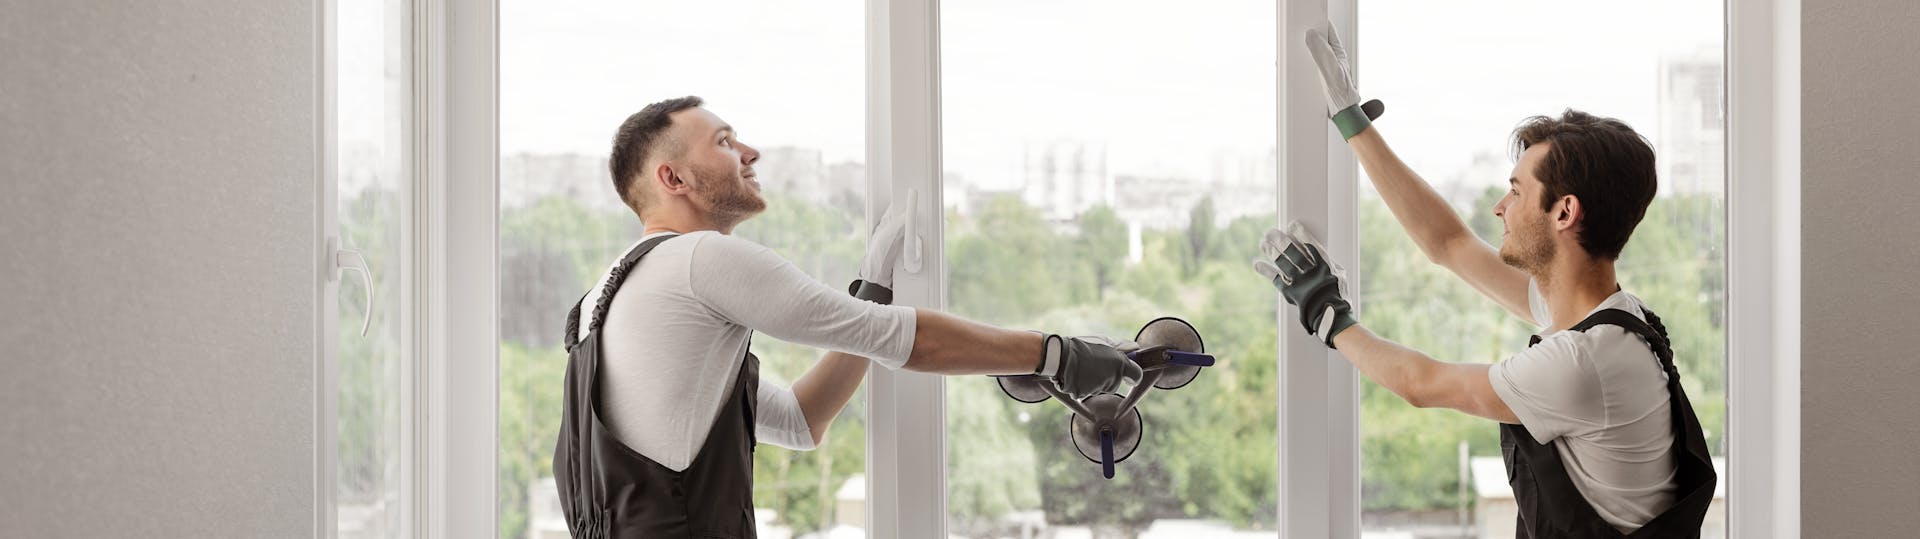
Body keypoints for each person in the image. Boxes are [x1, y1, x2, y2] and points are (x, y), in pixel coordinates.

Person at [551, 95, 1146, 538]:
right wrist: (1057, 355)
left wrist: (872, 287)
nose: (751, 152)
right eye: (726, 142)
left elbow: (800, 421)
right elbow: (905, 342)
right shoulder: (700, 259)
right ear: (672, 178)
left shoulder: (603, 303)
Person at [1251, 24, 1716, 537]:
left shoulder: (1583, 363)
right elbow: (1449, 243)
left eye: (1516, 192)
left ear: (1564, 212)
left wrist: (1326, 314)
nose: (1500, 208)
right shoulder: (1612, 319)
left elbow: (1420, 384)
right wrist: (1353, 122)